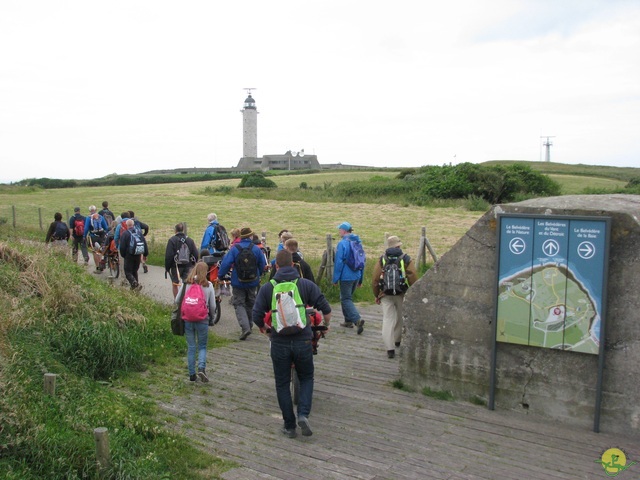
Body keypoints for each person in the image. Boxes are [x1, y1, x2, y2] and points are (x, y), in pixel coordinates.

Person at [252, 249, 332, 438]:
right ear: (294, 265)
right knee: (306, 378)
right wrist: (325, 325)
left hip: (279, 342)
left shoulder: (268, 288)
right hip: (303, 340)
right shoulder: (305, 285)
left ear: (275, 266)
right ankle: (303, 414)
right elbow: (326, 309)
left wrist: (266, 330)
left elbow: (256, 315)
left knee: (281, 383)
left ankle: (289, 425)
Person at [372, 235, 419, 359]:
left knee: (387, 320)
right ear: (399, 246)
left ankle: (390, 348)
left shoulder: (382, 259)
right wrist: (414, 293)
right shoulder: (406, 259)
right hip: (401, 293)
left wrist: (377, 294)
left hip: (385, 294)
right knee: (400, 316)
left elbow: (375, 279)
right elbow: (412, 276)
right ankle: (397, 340)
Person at [218, 226, 267, 340]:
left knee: (239, 303)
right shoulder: (256, 249)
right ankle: (249, 324)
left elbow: (226, 263)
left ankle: (245, 328)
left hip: (238, 281)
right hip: (252, 281)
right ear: (250, 236)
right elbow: (262, 264)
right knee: (250, 302)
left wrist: (220, 275)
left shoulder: (235, 249)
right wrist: (257, 274)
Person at [177, 261, 216, 383]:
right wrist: (212, 317)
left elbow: (177, 300)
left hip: (188, 319)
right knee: (202, 346)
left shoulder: (186, 284)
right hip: (202, 319)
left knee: (191, 346)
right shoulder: (208, 285)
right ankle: (201, 368)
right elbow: (213, 306)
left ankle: (191, 374)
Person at [332, 221, 366, 334]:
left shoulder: (342, 244)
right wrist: (361, 278)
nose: (339, 231)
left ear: (344, 230)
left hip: (346, 276)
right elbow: (362, 262)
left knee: (346, 299)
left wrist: (335, 278)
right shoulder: (358, 242)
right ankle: (348, 321)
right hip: (356, 274)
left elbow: (339, 262)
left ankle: (356, 320)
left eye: (340, 229)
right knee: (347, 298)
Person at [165, 222, 200, 297]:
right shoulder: (190, 240)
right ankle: (186, 300)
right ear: (183, 230)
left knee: (175, 284)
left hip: (176, 266)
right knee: (187, 283)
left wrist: (167, 267)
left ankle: (177, 301)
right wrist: (193, 264)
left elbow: (169, 256)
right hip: (188, 265)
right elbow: (196, 254)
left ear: (175, 230)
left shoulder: (172, 240)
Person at [118, 218, 148, 291]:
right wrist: (145, 254)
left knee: (128, 272)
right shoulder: (139, 233)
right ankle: (135, 288)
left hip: (129, 255)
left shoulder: (125, 234)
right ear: (133, 225)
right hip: (138, 254)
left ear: (127, 225)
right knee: (135, 271)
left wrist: (123, 255)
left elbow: (122, 247)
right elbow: (144, 244)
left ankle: (135, 284)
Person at [84, 207, 109, 272]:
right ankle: (101, 265)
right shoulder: (101, 217)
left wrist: (84, 236)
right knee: (100, 251)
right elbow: (106, 227)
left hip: (93, 236)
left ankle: (98, 267)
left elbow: (86, 228)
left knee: (95, 251)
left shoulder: (88, 218)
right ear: (96, 210)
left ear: (89, 211)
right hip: (101, 236)